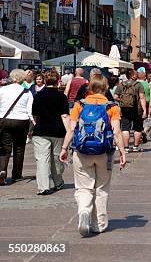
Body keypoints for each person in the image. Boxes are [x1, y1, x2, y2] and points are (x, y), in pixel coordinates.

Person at [60, 74, 126, 236]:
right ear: (106, 88)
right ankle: (99, 224)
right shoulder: (112, 106)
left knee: (84, 187)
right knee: (102, 189)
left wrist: (64, 148)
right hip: (105, 152)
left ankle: (84, 212)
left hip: (81, 151)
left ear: (89, 88)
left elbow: (71, 129)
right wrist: (123, 153)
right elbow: (117, 132)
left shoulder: (79, 105)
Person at [32, 70, 70, 195]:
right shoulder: (61, 96)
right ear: (58, 81)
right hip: (58, 131)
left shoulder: (38, 95)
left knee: (42, 159)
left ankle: (43, 187)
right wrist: (69, 131)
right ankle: (58, 182)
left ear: (44, 80)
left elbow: (35, 115)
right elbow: (64, 116)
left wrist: (38, 124)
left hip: (40, 131)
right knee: (57, 158)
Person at [0, 69, 33, 185]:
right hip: (21, 121)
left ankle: (2, 170)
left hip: (5, 120)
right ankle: (17, 174)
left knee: (5, 147)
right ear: (23, 78)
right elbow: (30, 110)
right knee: (19, 148)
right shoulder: (27, 92)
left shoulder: (2, 89)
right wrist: (33, 123)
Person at [115, 70, 147, 153]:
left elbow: (115, 97)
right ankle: (135, 147)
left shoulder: (121, 85)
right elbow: (142, 98)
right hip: (137, 109)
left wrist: (122, 100)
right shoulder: (138, 85)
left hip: (124, 109)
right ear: (133, 76)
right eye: (136, 74)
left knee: (125, 128)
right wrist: (145, 110)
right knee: (137, 128)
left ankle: (126, 148)